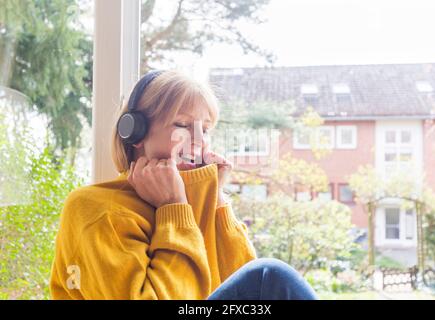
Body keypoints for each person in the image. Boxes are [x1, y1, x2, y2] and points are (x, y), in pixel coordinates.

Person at [49, 70, 317, 300]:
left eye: (207, 128)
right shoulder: (96, 208)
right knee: (269, 277)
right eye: (183, 125)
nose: (199, 140)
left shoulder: (197, 202)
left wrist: (217, 200)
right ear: (135, 132)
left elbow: (242, 284)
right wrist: (172, 207)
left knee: (266, 277)